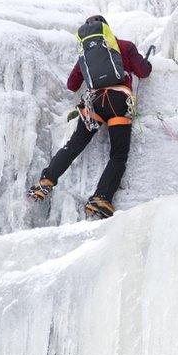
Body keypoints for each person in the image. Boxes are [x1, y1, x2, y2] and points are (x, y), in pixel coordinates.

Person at [28, 15, 152, 219]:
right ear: (107, 31)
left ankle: (46, 181)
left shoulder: (86, 55)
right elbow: (143, 72)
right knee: (118, 154)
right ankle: (101, 198)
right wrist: (145, 62)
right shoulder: (125, 46)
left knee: (74, 145)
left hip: (94, 103)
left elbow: (72, 84)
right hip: (118, 102)